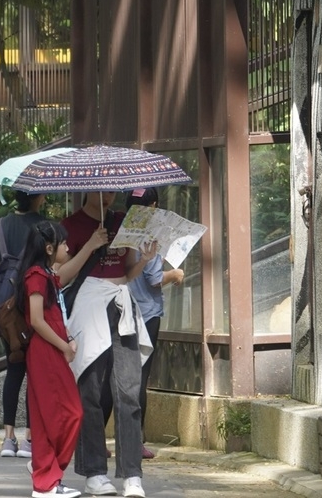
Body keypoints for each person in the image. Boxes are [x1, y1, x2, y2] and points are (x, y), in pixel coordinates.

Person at [60, 191, 156, 498]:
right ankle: (94, 472)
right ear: (88, 189)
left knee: (129, 392)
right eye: (104, 191)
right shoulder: (70, 226)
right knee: (89, 393)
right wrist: (90, 245)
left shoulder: (122, 222)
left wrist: (145, 260)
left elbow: (127, 273)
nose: (109, 197)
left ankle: (132, 475)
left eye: (114, 191)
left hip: (121, 305)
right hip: (88, 307)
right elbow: (59, 277)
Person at [16, 221, 83, 498]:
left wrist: (67, 340)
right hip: (46, 352)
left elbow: (54, 317)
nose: (68, 246)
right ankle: (46, 477)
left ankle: (46, 475)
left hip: (52, 349)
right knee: (68, 414)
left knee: (52, 418)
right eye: (63, 243)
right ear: (48, 248)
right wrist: (64, 346)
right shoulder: (36, 276)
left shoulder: (47, 275)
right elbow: (37, 320)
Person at [0, 190, 47, 458]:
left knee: (14, 368)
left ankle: (8, 438)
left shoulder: (1, 225)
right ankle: (29, 439)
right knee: (34, 372)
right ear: (39, 197)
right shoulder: (43, 227)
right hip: (30, 305)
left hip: (6, 311)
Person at [125, 188, 184, 459]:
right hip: (146, 314)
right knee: (140, 379)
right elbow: (154, 279)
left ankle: (101, 438)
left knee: (119, 378)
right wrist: (174, 273)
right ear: (153, 206)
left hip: (122, 312)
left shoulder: (122, 232)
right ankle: (135, 441)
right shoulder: (149, 234)